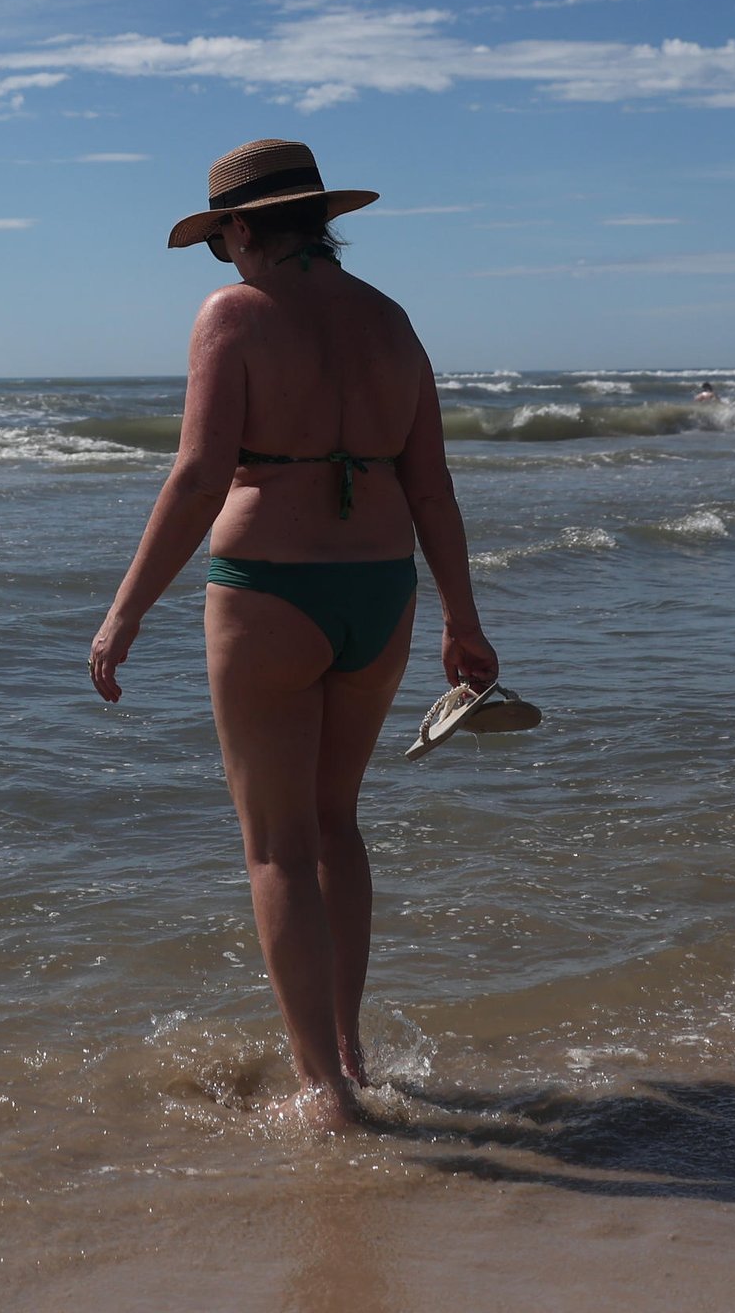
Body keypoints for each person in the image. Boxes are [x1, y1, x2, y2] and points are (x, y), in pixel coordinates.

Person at [86, 139, 498, 1129]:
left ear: (239, 228)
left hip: (269, 590)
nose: (221, 261)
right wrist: (463, 616)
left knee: (274, 847)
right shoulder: (392, 322)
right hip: (382, 593)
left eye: (220, 239)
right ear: (319, 219)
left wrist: (126, 608)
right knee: (334, 825)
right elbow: (430, 483)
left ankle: (325, 1093)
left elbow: (197, 476)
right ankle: (351, 1053)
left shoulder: (233, 314)